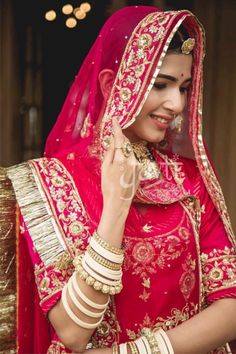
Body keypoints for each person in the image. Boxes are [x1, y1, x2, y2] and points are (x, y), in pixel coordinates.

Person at [3, 5, 236, 354]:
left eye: (185, 88)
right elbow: (73, 333)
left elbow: (230, 304)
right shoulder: (52, 182)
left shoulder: (190, 179)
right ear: (113, 84)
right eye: (161, 85)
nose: (175, 104)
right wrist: (116, 205)